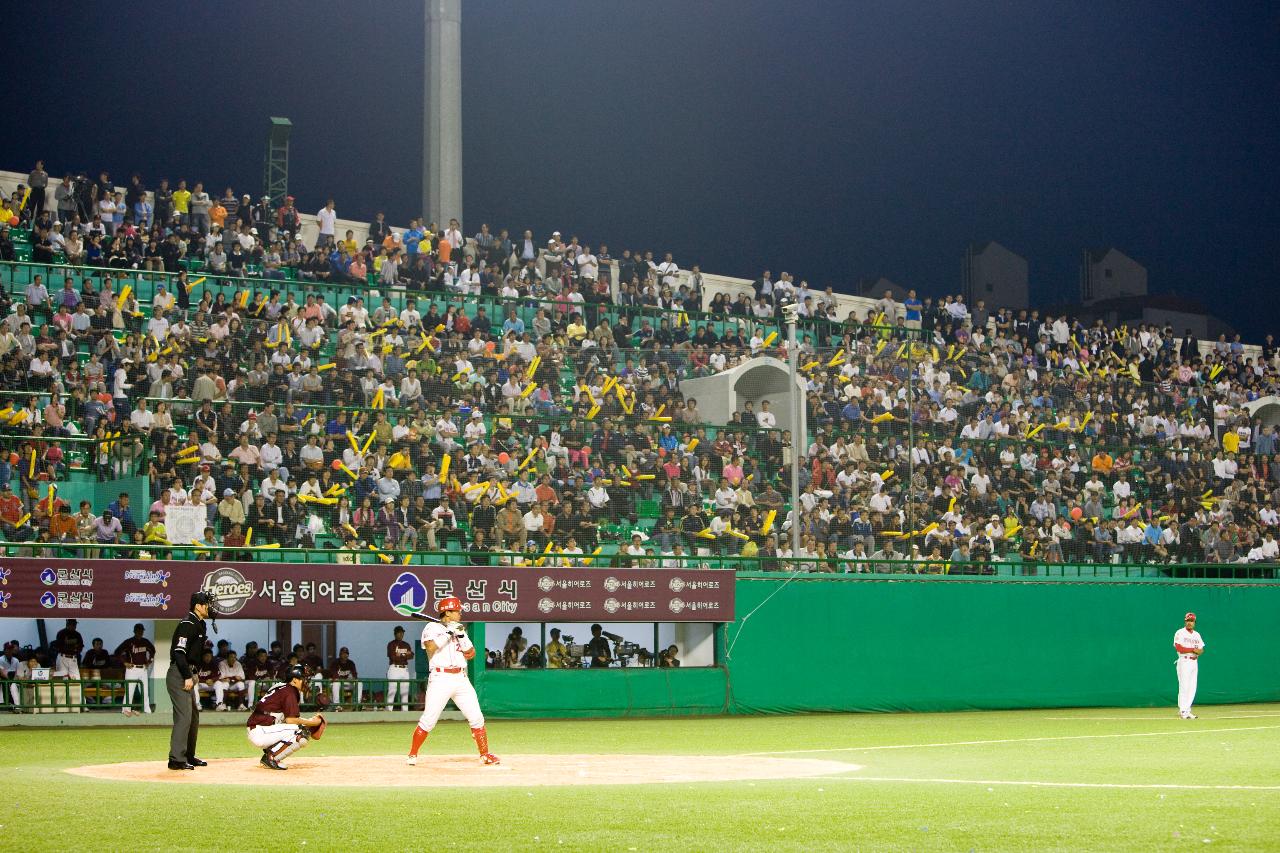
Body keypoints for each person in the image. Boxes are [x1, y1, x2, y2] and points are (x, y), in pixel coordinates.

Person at [406, 597, 499, 766]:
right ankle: (412, 754)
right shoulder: (431, 627)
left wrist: (461, 634)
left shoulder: (458, 628)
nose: (460, 613)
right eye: (457, 611)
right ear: (447, 612)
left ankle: (485, 754)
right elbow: (431, 648)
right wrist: (448, 633)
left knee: (477, 717)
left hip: (460, 678)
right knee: (429, 720)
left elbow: (471, 653)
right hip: (440, 678)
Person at [246, 664, 325, 770]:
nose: (307, 682)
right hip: (260, 731)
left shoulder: (281, 687)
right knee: (301, 732)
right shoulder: (290, 691)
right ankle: (271, 757)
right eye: (304, 679)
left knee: (297, 727)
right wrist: (314, 722)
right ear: (294, 680)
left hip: (261, 728)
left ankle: (271, 752)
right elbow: (291, 720)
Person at [167, 591, 212, 770]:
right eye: (206, 603)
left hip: (188, 674)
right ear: (198, 606)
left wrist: (194, 673)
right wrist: (187, 675)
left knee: (193, 717)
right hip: (179, 674)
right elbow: (179, 652)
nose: (209, 607)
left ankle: (188, 756)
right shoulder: (187, 623)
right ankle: (176, 759)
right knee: (184, 717)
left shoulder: (199, 624)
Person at [114, 623, 154, 716]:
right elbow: (117, 652)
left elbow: (152, 651)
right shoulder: (129, 642)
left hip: (143, 668)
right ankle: (125, 710)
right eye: (139, 630)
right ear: (135, 631)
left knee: (144, 690)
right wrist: (124, 662)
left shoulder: (145, 641)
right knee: (129, 690)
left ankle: (146, 709)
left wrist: (149, 661)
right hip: (132, 668)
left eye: (142, 630)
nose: (140, 632)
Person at [1174, 611, 1205, 719]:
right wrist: (1193, 649)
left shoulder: (1197, 635)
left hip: (1194, 662)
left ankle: (1187, 710)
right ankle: (1183, 710)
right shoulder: (1180, 632)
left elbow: (1201, 650)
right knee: (1184, 686)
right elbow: (1179, 648)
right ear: (1185, 621)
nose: (1189, 623)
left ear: (1194, 622)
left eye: (1191, 621)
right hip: (1184, 661)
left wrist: (1198, 652)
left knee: (1192, 687)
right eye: (1188, 620)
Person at [385, 625, 414, 712]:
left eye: (402, 633)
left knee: (405, 692)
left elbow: (412, 655)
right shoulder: (391, 644)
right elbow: (393, 657)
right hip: (394, 668)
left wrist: (401, 655)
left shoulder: (406, 644)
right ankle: (389, 711)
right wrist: (405, 655)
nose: (401, 634)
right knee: (392, 690)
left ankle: (405, 712)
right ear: (395, 634)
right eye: (399, 633)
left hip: (404, 669)